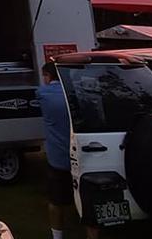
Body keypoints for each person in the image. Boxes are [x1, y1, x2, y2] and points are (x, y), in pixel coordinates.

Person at [38, 61, 98, 239]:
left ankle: (58, 236)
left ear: (48, 77)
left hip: (58, 158)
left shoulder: (43, 93)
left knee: (56, 201)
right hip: (83, 155)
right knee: (89, 202)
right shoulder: (80, 93)